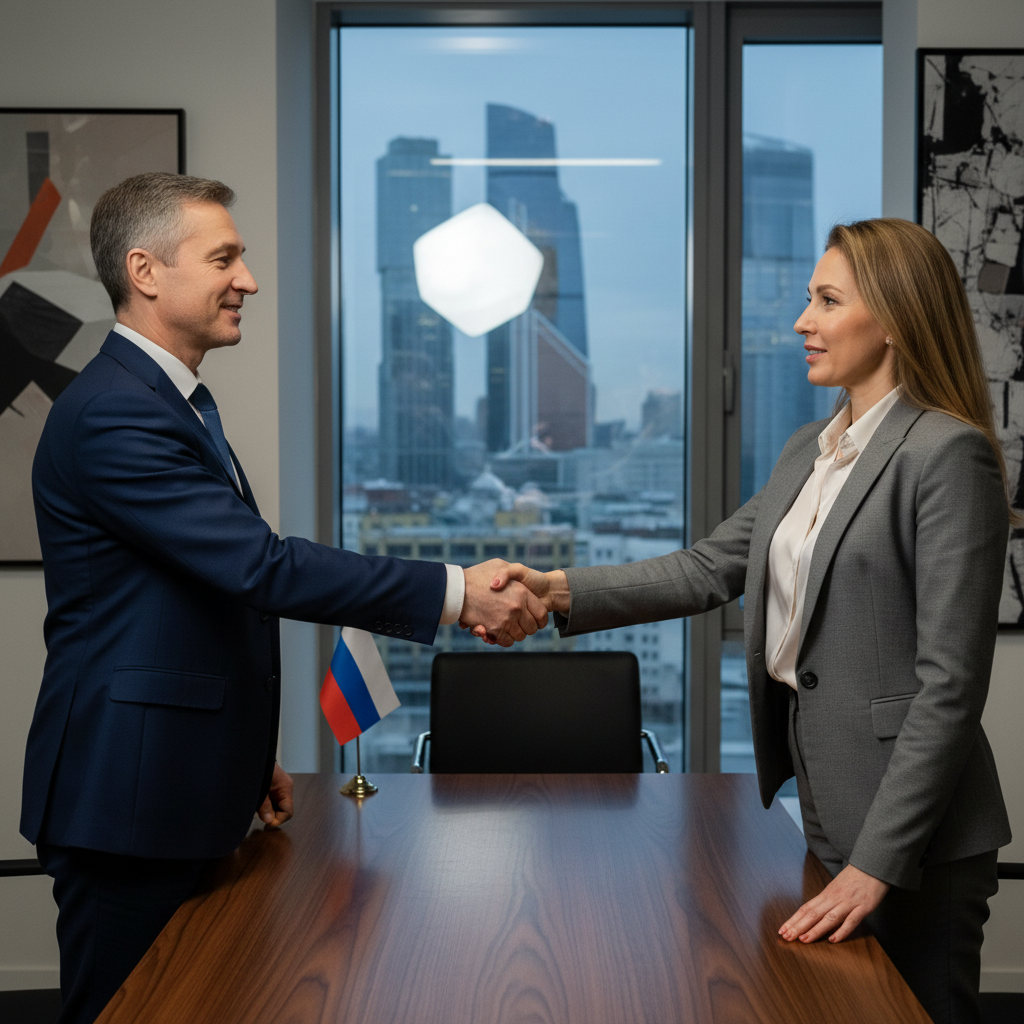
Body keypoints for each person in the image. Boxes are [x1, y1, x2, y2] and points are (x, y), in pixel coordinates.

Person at [21, 171, 547, 1024]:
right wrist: (456, 594)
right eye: (224, 257)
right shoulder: (117, 413)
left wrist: (234, 751)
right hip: (125, 799)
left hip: (171, 780)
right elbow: (260, 568)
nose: (249, 280)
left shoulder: (171, 401)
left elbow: (190, 600)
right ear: (146, 270)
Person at [488, 218, 1013, 1024]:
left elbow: (949, 687)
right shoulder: (810, 449)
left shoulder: (946, 455)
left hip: (915, 839)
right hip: (830, 810)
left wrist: (877, 865)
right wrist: (554, 587)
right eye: (808, 299)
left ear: (897, 320)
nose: (801, 321)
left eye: (826, 301)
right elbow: (707, 568)